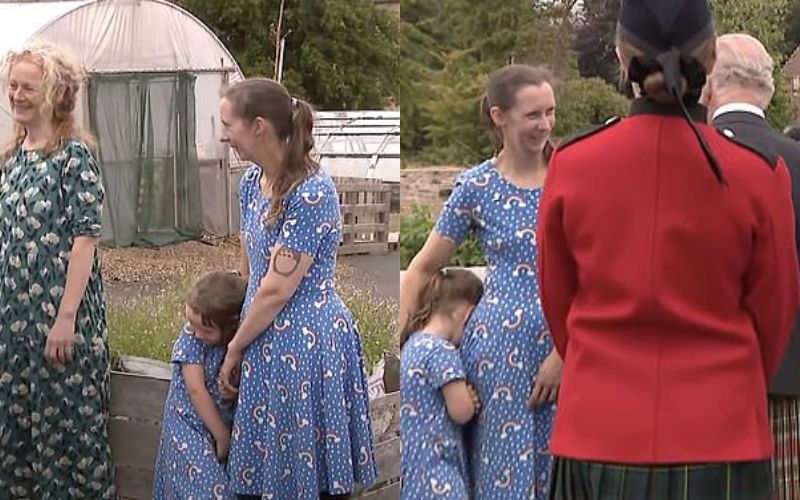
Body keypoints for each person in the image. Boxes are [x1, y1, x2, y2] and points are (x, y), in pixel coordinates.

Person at [537, 1, 799, 498]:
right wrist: (731, 385)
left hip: (598, 429)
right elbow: (774, 313)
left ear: (620, 58)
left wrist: (603, 373)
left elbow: (559, 304)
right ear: (712, 61)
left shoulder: (573, 164)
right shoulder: (759, 174)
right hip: (721, 432)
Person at [400, 64, 561, 499]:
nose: (545, 124)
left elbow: (598, 275)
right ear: (499, 116)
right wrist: (411, 341)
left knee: (562, 474)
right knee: (501, 473)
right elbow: (421, 267)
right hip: (497, 353)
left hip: (566, 351)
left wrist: (567, 351)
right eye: (532, 115)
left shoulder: (574, 175)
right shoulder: (477, 186)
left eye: (550, 112)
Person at [216, 78, 377, 500]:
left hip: (304, 344)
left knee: (306, 476)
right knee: (267, 475)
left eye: (227, 124)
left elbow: (276, 290)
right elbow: (250, 270)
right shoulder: (251, 182)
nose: (222, 134)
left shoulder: (310, 192)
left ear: (259, 126)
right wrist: (234, 328)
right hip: (261, 337)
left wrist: (235, 347)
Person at [0, 42, 116, 498]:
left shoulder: (74, 157)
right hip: (14, 322)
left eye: (29, 87)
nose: (17, 95)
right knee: (17, 431)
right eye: (12, 85)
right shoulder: (12, 157)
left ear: (55, 93)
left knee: (69, 431)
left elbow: (85, 239)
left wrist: (65, 318)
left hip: (60, 320)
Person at [702, 33, 800, 500]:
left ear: (708, 85)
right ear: (770, 90)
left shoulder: (684, 155)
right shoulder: (796, 160)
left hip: (698, 374)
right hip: (789, 372)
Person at [152, 271, 246, 499]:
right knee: (210, 490)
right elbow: (196, 390)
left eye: (205, 329)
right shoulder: (191, 340)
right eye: (191, 323)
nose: (195, 332)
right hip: (187, 426)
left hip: (218, 423)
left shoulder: (236, 346)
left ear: (230, 328)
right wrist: (222, 436)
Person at [400, 269, 483, 499]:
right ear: (467, 315)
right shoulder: (443, 352)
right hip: (438, 474)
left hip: (412, 472)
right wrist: (470, 399)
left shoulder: (413, 344)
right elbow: (461, 411)